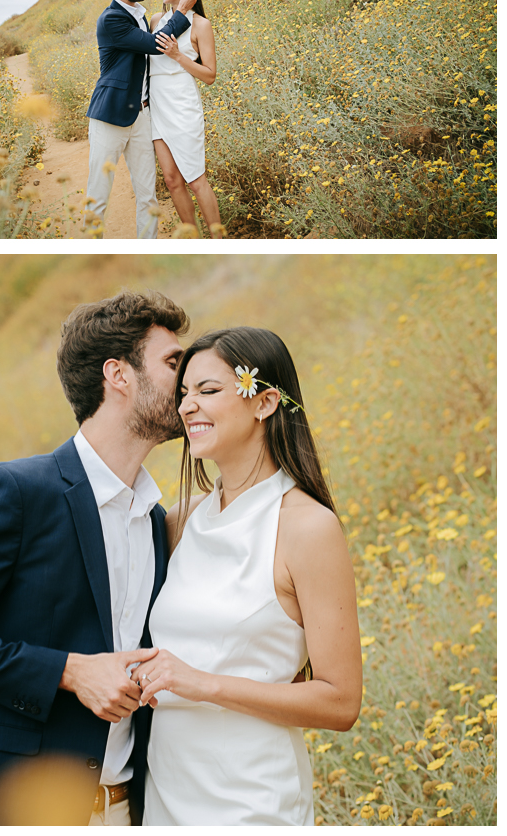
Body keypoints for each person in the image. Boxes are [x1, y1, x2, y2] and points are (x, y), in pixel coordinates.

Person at [0, 290, 190, 826]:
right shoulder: (15, 490)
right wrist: (71, 672)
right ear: (118, 375)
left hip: (126, 811)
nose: (189, 380)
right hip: (8, 807)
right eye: (173, 362)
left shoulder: (154, 521)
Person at [135, 327, 362, 826]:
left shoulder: (307, 527)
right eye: (184, 393)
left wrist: (201, 683)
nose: (187, 406)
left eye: (209, 391)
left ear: (264, 403)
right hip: (165, 796)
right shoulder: (181, 520)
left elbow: (341, 702)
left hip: (250, 803)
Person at [85, 0, 198, 239]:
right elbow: (154, 45)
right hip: (110, 116)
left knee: (147, 195)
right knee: (98, 196)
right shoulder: (111, 19)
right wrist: (182, 12)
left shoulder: (139, 14)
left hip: (141, 115)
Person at [149, 0, 223, 238]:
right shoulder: (156, 19)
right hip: (157, 107)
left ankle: (219, 240)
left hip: (182, 105)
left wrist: (180, 56)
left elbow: (210, 75)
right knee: (171, 179)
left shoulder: (201, 24)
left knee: (195, 178)